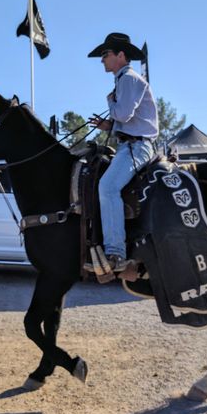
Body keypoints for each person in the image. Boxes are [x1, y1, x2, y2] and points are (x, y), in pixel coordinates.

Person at [86, 32, 159, 272]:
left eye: (105, 54)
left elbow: (123, 114)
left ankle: (115, 253)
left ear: (121, 55)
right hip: (131, 143)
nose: (102, 60)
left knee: (107, 187)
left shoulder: (128, 78)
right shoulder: (124, 80)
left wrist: (110, 103)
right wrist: (108, 126)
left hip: (137, 146)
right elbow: (126, 119)